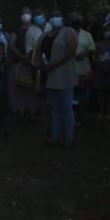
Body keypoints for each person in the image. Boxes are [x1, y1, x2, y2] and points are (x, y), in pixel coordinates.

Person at [32, 12, 78, 146]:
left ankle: (69, 137)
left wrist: (53, 64)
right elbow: (38, 54)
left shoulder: (69, 32)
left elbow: (71, 52)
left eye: (57, 15)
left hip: (64, 75)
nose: (54, 17)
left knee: (66, 107)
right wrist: (39, 65)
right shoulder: (44, 35)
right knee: (54, 108)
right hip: (49, 76)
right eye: (52, 15)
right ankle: (55, 136)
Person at [8, 9, 39, 121]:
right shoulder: (15, 29)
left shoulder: (36, 29)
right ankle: (19, 112)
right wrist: (22, 57)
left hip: (33, 63)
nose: (25, 14)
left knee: (32, 88)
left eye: (27, 12)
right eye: (23, 12)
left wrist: (31, 57)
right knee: (18, 88)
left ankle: (32, 113)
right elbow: (11, 45)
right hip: (18, 63)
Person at [70, 12, 95, 116]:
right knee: (72, 92)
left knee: (83, 91)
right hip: (70, 67)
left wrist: (83, 53)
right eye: (75, 18)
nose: (77, 21)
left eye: (79, 18)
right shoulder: (67, 33)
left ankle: (82, 113)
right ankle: (72, 113)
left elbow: (92, 48)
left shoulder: (87, 34)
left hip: (83, 67)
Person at [94, 23, 110, 120]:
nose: (109, 32)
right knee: (100, 92)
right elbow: (95, 57)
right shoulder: (98, 44)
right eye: (107, 30)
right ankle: (101, 112)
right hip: (100, 70)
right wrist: (101, 66)